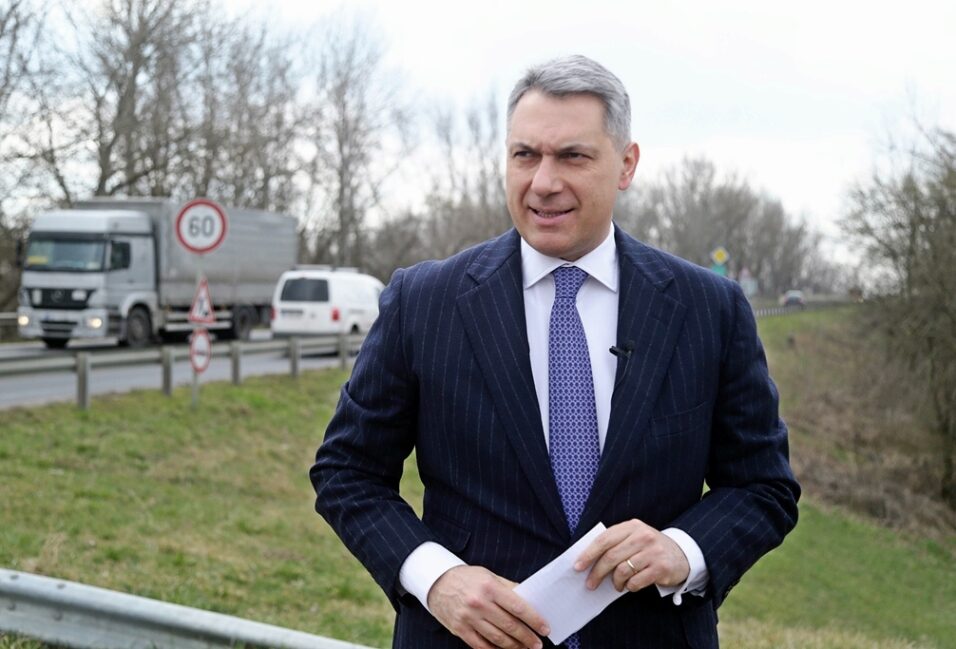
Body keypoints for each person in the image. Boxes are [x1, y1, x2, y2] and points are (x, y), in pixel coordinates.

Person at [310, 54, 799, 649]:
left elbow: (763, 487)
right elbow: (347, 472)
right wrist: (437, 579)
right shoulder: (424, 301)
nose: (543, 182)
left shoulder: (710, 309)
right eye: (525, 155)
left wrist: (684, 549)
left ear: (626, 164)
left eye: (572, 156)